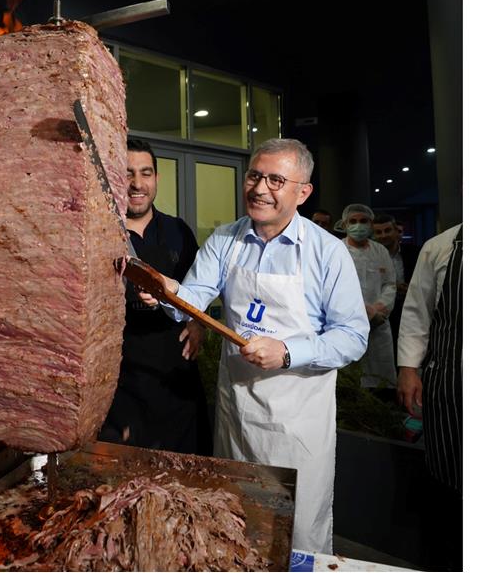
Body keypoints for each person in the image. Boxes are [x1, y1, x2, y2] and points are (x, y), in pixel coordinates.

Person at [137, 138, 368, 554]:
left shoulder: (327, 252)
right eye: (255, 176)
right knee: (234, 521)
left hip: (297, 422)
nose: (260, 188)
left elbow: (352, 336)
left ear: (303, 191)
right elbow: (193, 298)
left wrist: (288, 351)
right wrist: (170, 293)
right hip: (237, 414)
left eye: (276, 179)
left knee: (297, 532)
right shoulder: (226, 239)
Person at [99, 138, 212, 455]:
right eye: (128, 173)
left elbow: (199, 295)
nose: (137, 184)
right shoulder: (101, 235)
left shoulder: (179, 231)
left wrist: (198, 324)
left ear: (157, 178)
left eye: (146, 173)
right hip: (122, 384)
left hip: (177, 379)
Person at [396, 224, 462, 570]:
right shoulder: (441, 247)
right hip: (451, 384)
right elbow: (416, 313)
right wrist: (408, 368)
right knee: (447, 483)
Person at [341, 204, 397, 394]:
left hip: (379, 324)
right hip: (348, 323)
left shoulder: (380, 250)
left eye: (363, 221)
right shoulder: (337, 249)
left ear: (371, 224)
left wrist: (380, 307)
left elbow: (390, 283)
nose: (359, 225)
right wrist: (364, 310)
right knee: (350, 382)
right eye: (353, 221)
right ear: (344, 224)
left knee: (380, 382)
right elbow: (335, 287)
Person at [372, 213, 420, 351]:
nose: (383, 235)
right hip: (381, 314)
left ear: (396, 231)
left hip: (409, 311)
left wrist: (410, 289)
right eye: (378, 232)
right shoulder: (369, 256)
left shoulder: (415, 253)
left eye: (387, 230)